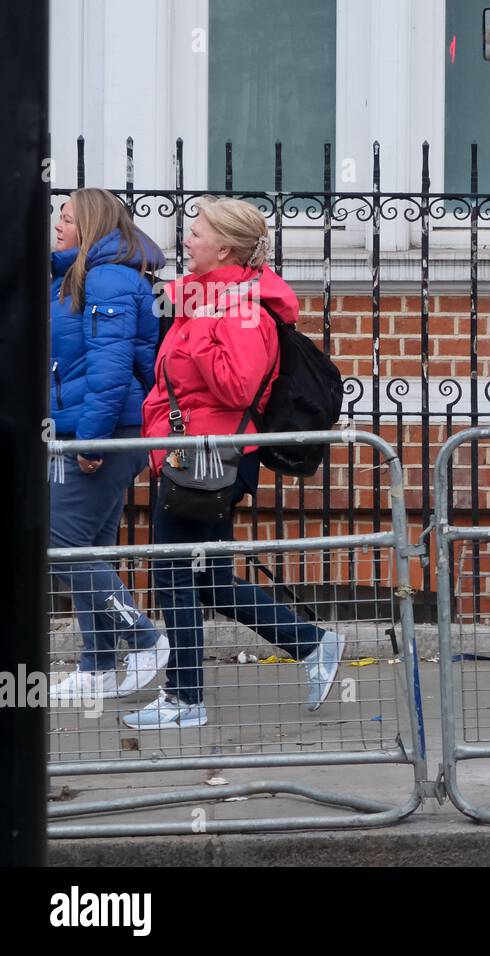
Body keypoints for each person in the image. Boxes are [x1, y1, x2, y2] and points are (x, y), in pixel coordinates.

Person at [122, 196, 344, 730]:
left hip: (211, 457)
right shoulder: (211, 300)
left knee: (174, 573)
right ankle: (311, 643)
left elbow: (236, 385)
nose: (186, 239)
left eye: (195, 232)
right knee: (209, 578)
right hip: (192, 453)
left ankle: (185, 699)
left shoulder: (238, 308)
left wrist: (197, 324)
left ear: (225, 246)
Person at [48, 188, 170, 703]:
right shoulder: (78, 274)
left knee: (61, 545)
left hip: (102, 432)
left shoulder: (109, 278)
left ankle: (143, 636)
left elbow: (111, 368)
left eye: (68, 217)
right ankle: (97, 665)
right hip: (88, 429)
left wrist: (90, 440)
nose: (58, 224)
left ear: (92, 225)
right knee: (90, 549)